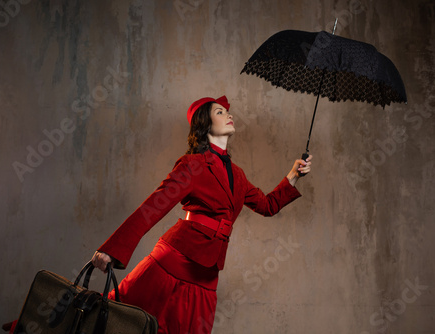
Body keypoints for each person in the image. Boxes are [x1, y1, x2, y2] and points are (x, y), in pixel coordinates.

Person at [91, 95, 312, 334]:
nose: (229, 115)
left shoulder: (238, 175)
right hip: (173, 262)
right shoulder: (192, 164)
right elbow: (152, 208)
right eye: (220, 112)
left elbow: (268, 206)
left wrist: (294, 175)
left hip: (207, 276)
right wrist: (113, 249)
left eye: (227, 112)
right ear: (204, 123)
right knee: (121, 323)